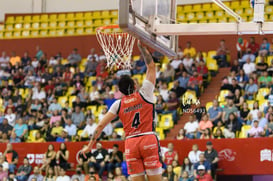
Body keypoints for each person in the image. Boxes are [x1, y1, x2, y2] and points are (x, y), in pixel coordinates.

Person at [81, 41, 162, 181]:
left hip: (131, 143)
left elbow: (100, 126)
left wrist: (89, 146)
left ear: (121, 91)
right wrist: (142, 48)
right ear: (134, 85)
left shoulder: (117, 104)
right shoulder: (145, 93)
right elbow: (151, 66)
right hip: (148, 138)